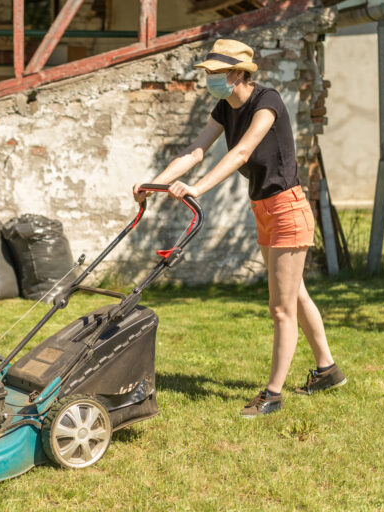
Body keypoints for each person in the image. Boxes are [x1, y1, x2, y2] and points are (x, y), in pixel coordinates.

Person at [133, 39, 346, 418]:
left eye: (216, 72)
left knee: (281, 308)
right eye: (209, 72)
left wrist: (197, 187)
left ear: (237, 73)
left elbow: (242, 152)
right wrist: (156, 182)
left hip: (287, 208)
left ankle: (273, 394)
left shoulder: (268, 101)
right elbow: (196, 150)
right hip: (263, 207)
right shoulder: (223, 107)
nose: (211, 79)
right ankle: (327, 370)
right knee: (295, 295)